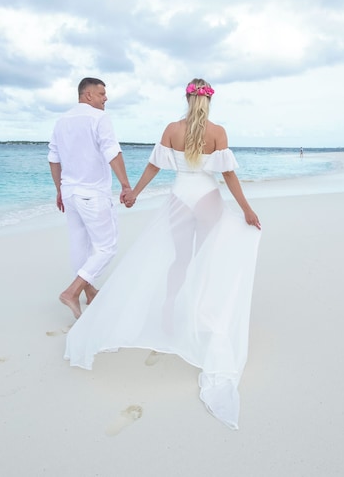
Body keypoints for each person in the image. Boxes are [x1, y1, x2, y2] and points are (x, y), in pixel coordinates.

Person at [64, 78, 262, 429]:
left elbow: (155, 166)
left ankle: (170, 312)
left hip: (180, 200)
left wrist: (134, 192)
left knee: (180, 260)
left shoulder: (172, 128)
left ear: (186, 98)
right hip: (207, 199)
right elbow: (228, 175)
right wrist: (246, 209)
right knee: (207, 261)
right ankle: (202, 316)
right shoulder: (217, 131)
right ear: (208, 101)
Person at [48, 77, 134, 319]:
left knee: (80, 245)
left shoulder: (61, 120)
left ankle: (89, 291)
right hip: (91, 194)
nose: (105, 98)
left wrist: (59, 190)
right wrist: (126, 186)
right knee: (107, 247)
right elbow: (112, 151)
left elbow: (54, 158)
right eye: (101, 94)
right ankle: (72, 292)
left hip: (70, 193)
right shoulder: (99, 118)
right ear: (87, 95)